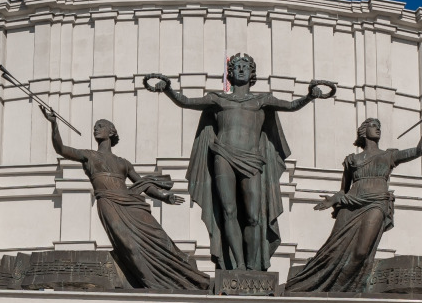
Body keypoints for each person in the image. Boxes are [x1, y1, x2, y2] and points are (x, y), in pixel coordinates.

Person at [143, 54, 335, 271]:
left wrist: (309, 96)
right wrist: (167, 88)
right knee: (229, 212)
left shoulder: (262, 100)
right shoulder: (218, 99)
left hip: (252, 159)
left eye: (245, 67)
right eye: (237, 67)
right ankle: (239, 267)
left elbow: (291, 106)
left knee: (254, 216)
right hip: (223, 155)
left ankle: (254, 266)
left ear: (252, 73)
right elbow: (185, 101)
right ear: (230, 73)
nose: (241, 70)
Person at [39, 108, 210, 292]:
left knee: (160, 238)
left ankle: (184, 278)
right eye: (95, 126)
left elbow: (142, 183)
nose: (96, 128)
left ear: (111, 132)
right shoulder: (89, 155)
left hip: (130, 203)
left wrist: (164, 196)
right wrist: (54, 124)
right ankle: (152, 283)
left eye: (101, 126)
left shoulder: (123, 163)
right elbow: (62, 149)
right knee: (128, 244)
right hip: (108, 202)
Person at [286, 109, 422, 294]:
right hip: (351, 204)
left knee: (361, 252)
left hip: (376, 203)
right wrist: (332, 200)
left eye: (379, 126)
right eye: (373, 125)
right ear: (363, 131)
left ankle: (340, 288)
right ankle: (317, 285)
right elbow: (343, 190)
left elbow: (419, 150)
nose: (378, 129)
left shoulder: (389, 156)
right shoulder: (352, 160)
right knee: (333, 249)